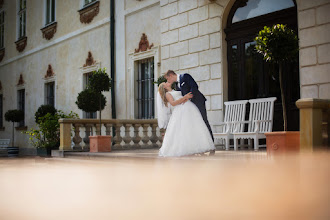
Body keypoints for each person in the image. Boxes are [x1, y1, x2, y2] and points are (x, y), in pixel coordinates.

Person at [157, 82, 215, 157]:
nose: (167, 82)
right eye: (165, 83)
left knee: (193, 128)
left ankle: (198, 148)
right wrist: (184, 98)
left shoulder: (176, 89)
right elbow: (173, 103)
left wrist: (186, 97)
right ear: (164, 87)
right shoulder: (168, 94)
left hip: (189, 108)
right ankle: (187, 149)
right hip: (181, 111)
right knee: (185, 130)